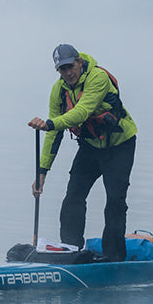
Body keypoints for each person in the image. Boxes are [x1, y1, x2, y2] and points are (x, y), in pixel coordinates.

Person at [28, 44, 137, 262]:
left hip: (119, 146)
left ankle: (114, 259)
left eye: (70, 66)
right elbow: (53, 134)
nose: (68, 73)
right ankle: (71, 251)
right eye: (62, 69)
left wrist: (50, 124)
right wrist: (42, 172)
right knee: (73, 198)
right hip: (90, 147)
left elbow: (81, 112)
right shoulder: (58, 91)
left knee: (115, 201)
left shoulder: (97, 78)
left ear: (79, 62)